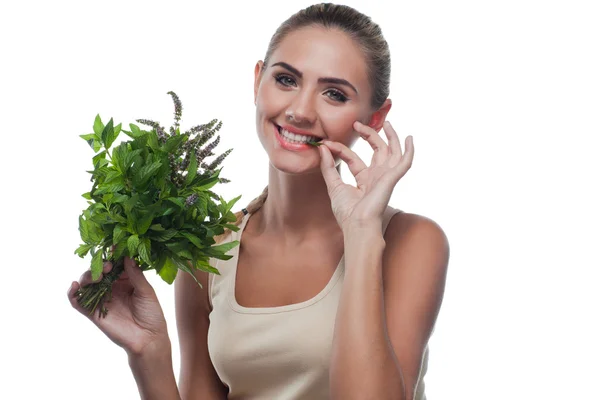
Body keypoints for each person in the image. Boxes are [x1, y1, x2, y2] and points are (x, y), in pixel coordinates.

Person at [67, 3, 449, 399]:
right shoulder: (209, 249)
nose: (300, 111)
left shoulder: (411, 241)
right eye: (285, 79)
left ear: (375, 117)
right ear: (257, 81)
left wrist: (363, 235)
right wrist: (148, 352)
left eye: (334, 94)